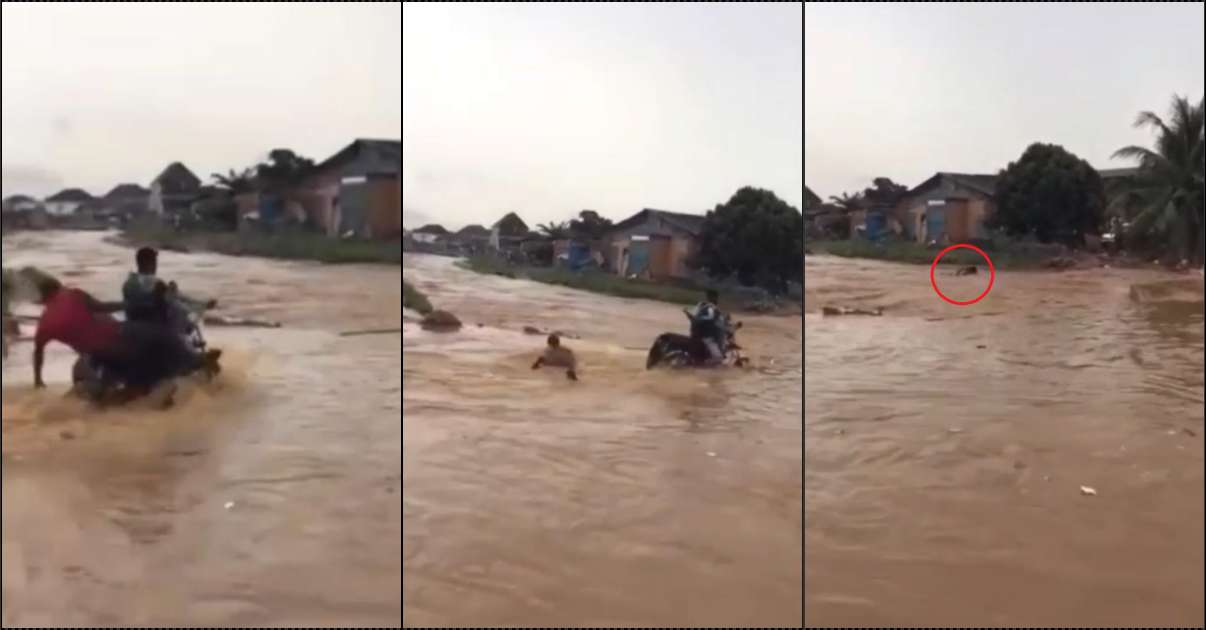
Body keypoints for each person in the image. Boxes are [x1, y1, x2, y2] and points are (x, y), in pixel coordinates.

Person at [28, 270, 218, 395]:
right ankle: (197, 361)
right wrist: (128, 304)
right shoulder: (72, 295)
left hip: (98, 355)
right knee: (161, 334)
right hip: (119, 336)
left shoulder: (44, 325)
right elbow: (102, 307)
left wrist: (38, 380)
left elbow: (37, 353)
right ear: (57, 287)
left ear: (42, 298)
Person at [123, 247, 215, 326]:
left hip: (133, 324)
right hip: (157, 327)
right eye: (154, 261)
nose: (156, 265)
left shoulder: (128, 283)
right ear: (150, 263)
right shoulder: (155, 283)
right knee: (181, 310)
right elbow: (177, 298)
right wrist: (202, 304)